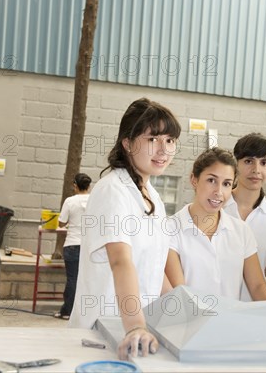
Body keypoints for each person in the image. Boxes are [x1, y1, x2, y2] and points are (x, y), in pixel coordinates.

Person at [68, 98, 181, 360]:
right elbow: (121, 261)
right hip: (103, 333)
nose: (164, 149)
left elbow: (152, 268)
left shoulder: (152, 196)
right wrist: (136, 326)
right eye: (153, 139)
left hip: (133, 332)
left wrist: (184, 310)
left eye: (171, 140)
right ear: (127, 143)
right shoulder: (112, 190)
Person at [164, 147, 266, 301]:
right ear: (194, 179)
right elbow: (179, 292)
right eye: (211, 180)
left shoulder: (241, 231)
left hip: (229, 323)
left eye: (226, 184)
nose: (219, 192)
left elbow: (257, 286)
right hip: (189, 321)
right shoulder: (169, 229)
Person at [223, 133, 266, 301]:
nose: (256, 170)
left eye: (264, 163)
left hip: (250, 307)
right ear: (235, 164)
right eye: (249, 161)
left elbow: (260, 276)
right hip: (212, 305)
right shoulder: (216, 208)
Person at [54, 173, 92, 320]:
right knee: (87, 280)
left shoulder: (70, 201)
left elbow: (61, 223)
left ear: (75, 185)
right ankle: (84, 312)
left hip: (72, 245)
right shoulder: (94, 201)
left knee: (72, 279)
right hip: (89, 246)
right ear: (89, 186)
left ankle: (67, 312)